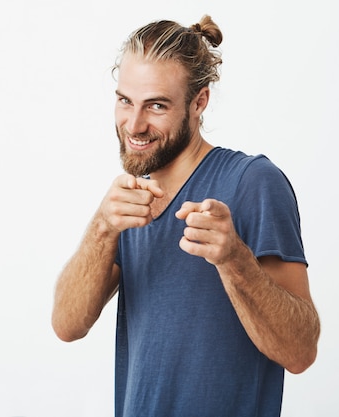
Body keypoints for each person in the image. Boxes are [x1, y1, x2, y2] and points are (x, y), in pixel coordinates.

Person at [51, 15, 320, 417]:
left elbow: (300, 351)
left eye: (156, 105)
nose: (134, 125)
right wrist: (102, 227)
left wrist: (233, 259)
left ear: (199, 102)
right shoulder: (129, 200)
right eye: (125, 100)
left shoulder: (253, 182)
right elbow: (67, 326)